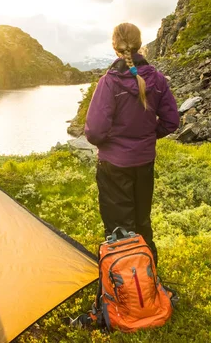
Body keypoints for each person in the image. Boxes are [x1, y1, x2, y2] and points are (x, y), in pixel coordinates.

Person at [85, 23, 180, 265]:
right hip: (144, 162)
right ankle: (148, 284)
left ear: (115, 46)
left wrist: (112, 142)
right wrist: (147, 135)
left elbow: (95, 131)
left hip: (113, 166)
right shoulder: (157, 79)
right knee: (141, 224)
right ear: (138, 44)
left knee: (118, 230)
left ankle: (125, 290)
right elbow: (171, 121)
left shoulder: (109, 82)